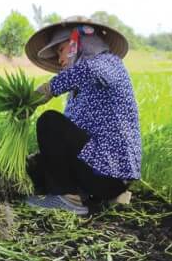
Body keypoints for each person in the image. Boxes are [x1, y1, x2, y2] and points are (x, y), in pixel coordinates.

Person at [23, 16, 141, 215]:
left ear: (76, 44)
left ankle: (69, 199)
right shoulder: (78, 90)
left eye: (61, 51)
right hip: (94, 170)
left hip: (109, 173)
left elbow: (88, 70)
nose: (60, 60)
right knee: (37, 166)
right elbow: (69, 139)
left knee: (49, 121)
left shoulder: (107, 63)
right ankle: (86, 197)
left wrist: (49, 88)